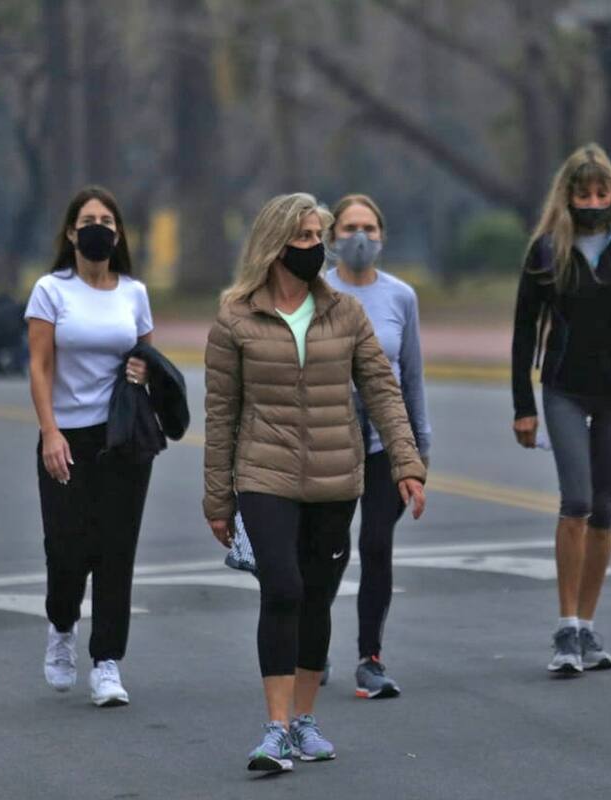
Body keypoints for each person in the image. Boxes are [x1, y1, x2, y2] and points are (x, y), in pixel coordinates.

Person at [204, 192, 427, 772]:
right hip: (265, 474)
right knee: (281, 589)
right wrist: (217, 496)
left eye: (316, 237)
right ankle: (274, 729)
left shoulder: (345, 313)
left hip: (335, 477)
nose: (314, 248)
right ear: (274, 245)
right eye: (303, 237)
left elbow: (383, 388)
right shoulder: (235, 317)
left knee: (317, 596)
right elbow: (221, 412)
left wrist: (406, 462)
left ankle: (304, 719)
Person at [511, 143, 611, 675]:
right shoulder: (545, 251)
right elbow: (522, 332)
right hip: (563, 387)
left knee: (605, 511)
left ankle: (587, 624)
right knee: (576, 501)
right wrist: (524, 406)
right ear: (568, 197)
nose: (593, 201)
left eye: (601, 192)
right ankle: (565, 626)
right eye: (583, 193)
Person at [25, 186, 155, 708]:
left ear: (118, 232)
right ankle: (61, 627)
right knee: (66, 548)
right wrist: (50, 431)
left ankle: (107, 661)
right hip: (67, 435)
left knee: (116, 549)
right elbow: (39, 366)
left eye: (107, 218)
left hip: (122, 437)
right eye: (88, 219)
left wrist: (145, 370)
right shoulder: (50, 290)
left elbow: (148, 358)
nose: (98, 225)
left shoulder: (134, 293)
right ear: (72, 232)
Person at [323, 193, 431, 699]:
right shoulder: (314, 293)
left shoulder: (400, 297)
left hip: (386, 440)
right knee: (327, 548)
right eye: (348, 228)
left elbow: (411, 377)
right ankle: (310, 643)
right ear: (330, 237)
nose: (359, 237)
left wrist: (418, 450)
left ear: (383, 236)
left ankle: (370, 657)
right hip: (328, 441)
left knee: (376, 545)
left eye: (368, 227)